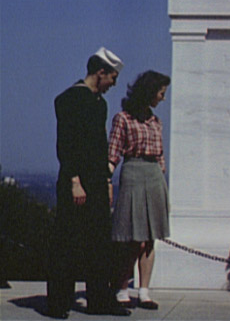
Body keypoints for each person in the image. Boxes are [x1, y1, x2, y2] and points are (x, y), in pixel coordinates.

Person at [46, 47, 131, 319]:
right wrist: (74, 181)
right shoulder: (70, 99)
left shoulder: (98, 103)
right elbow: (67, 144)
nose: (113, 84)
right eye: (112, 78)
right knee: (68, 242)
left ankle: (99, 300)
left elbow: (98, 146)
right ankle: (58, 303)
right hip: (77, 181)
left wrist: (106, 181)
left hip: (95, 181)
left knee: (98, 244)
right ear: (100, 72)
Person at [108, 70, 171, 310]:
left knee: (149, 238)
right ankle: (122, 288)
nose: (162, 98)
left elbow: (161, 154)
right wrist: (106, 181)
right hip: (133, 173)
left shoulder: (156, 122)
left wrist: (160, 176)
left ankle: (144, 291)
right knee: (129, 237)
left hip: (153, 175)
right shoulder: (123, 119)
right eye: (160, 93)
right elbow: (113, 153)